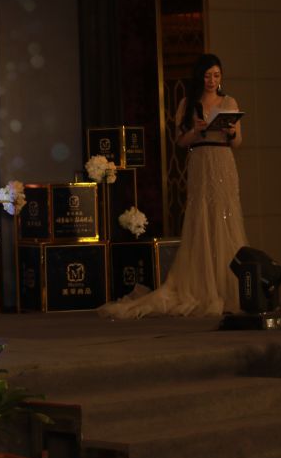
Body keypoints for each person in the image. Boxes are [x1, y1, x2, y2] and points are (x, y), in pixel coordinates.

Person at [99, 53, 246, 318]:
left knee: (226, 216)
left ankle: (229, 286)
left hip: (223, 161)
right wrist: (196, 131)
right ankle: (201, 284)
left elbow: (237, 142)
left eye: (216, 75)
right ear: (200, 77)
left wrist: (231, 131)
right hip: (200, 160)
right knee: (201, 216)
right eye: (208, 75)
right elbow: (180, 141)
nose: (212, 80)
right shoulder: (188, 104)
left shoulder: (229, 102)